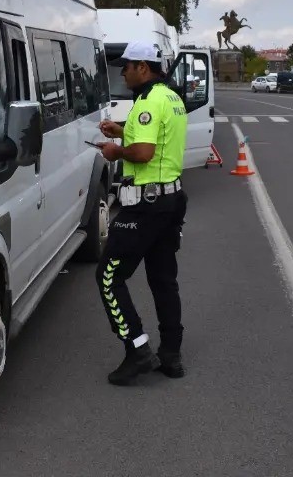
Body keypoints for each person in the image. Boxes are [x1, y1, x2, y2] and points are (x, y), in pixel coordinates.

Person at [94, 41, 189, 386]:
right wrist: (122, 132)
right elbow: (159, 142)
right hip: (172, 199)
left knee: (108, 276)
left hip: (146, 205)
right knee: (163, 279)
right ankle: (171, 355)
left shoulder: (148, 101)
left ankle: (137, 349)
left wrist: (115, 151)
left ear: (144, 68)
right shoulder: (172, 97)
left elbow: (146, 152)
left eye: (128, 66)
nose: (123, 72)